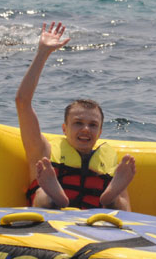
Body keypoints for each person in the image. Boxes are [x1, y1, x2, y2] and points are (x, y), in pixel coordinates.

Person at [15, 21, 135, 210]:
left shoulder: (111, 161)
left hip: (96, 223)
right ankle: (57, 197)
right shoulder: (43, 152)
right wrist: (42, 53)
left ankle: (109, 196)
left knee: (119, 203)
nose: (86, 129)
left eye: (93, 125)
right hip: (49, 219)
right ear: (64, 128)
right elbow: (22, 102)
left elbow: (127, 209)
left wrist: (117, 192)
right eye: (78, 123)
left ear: (101, 131)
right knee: (43, 194)